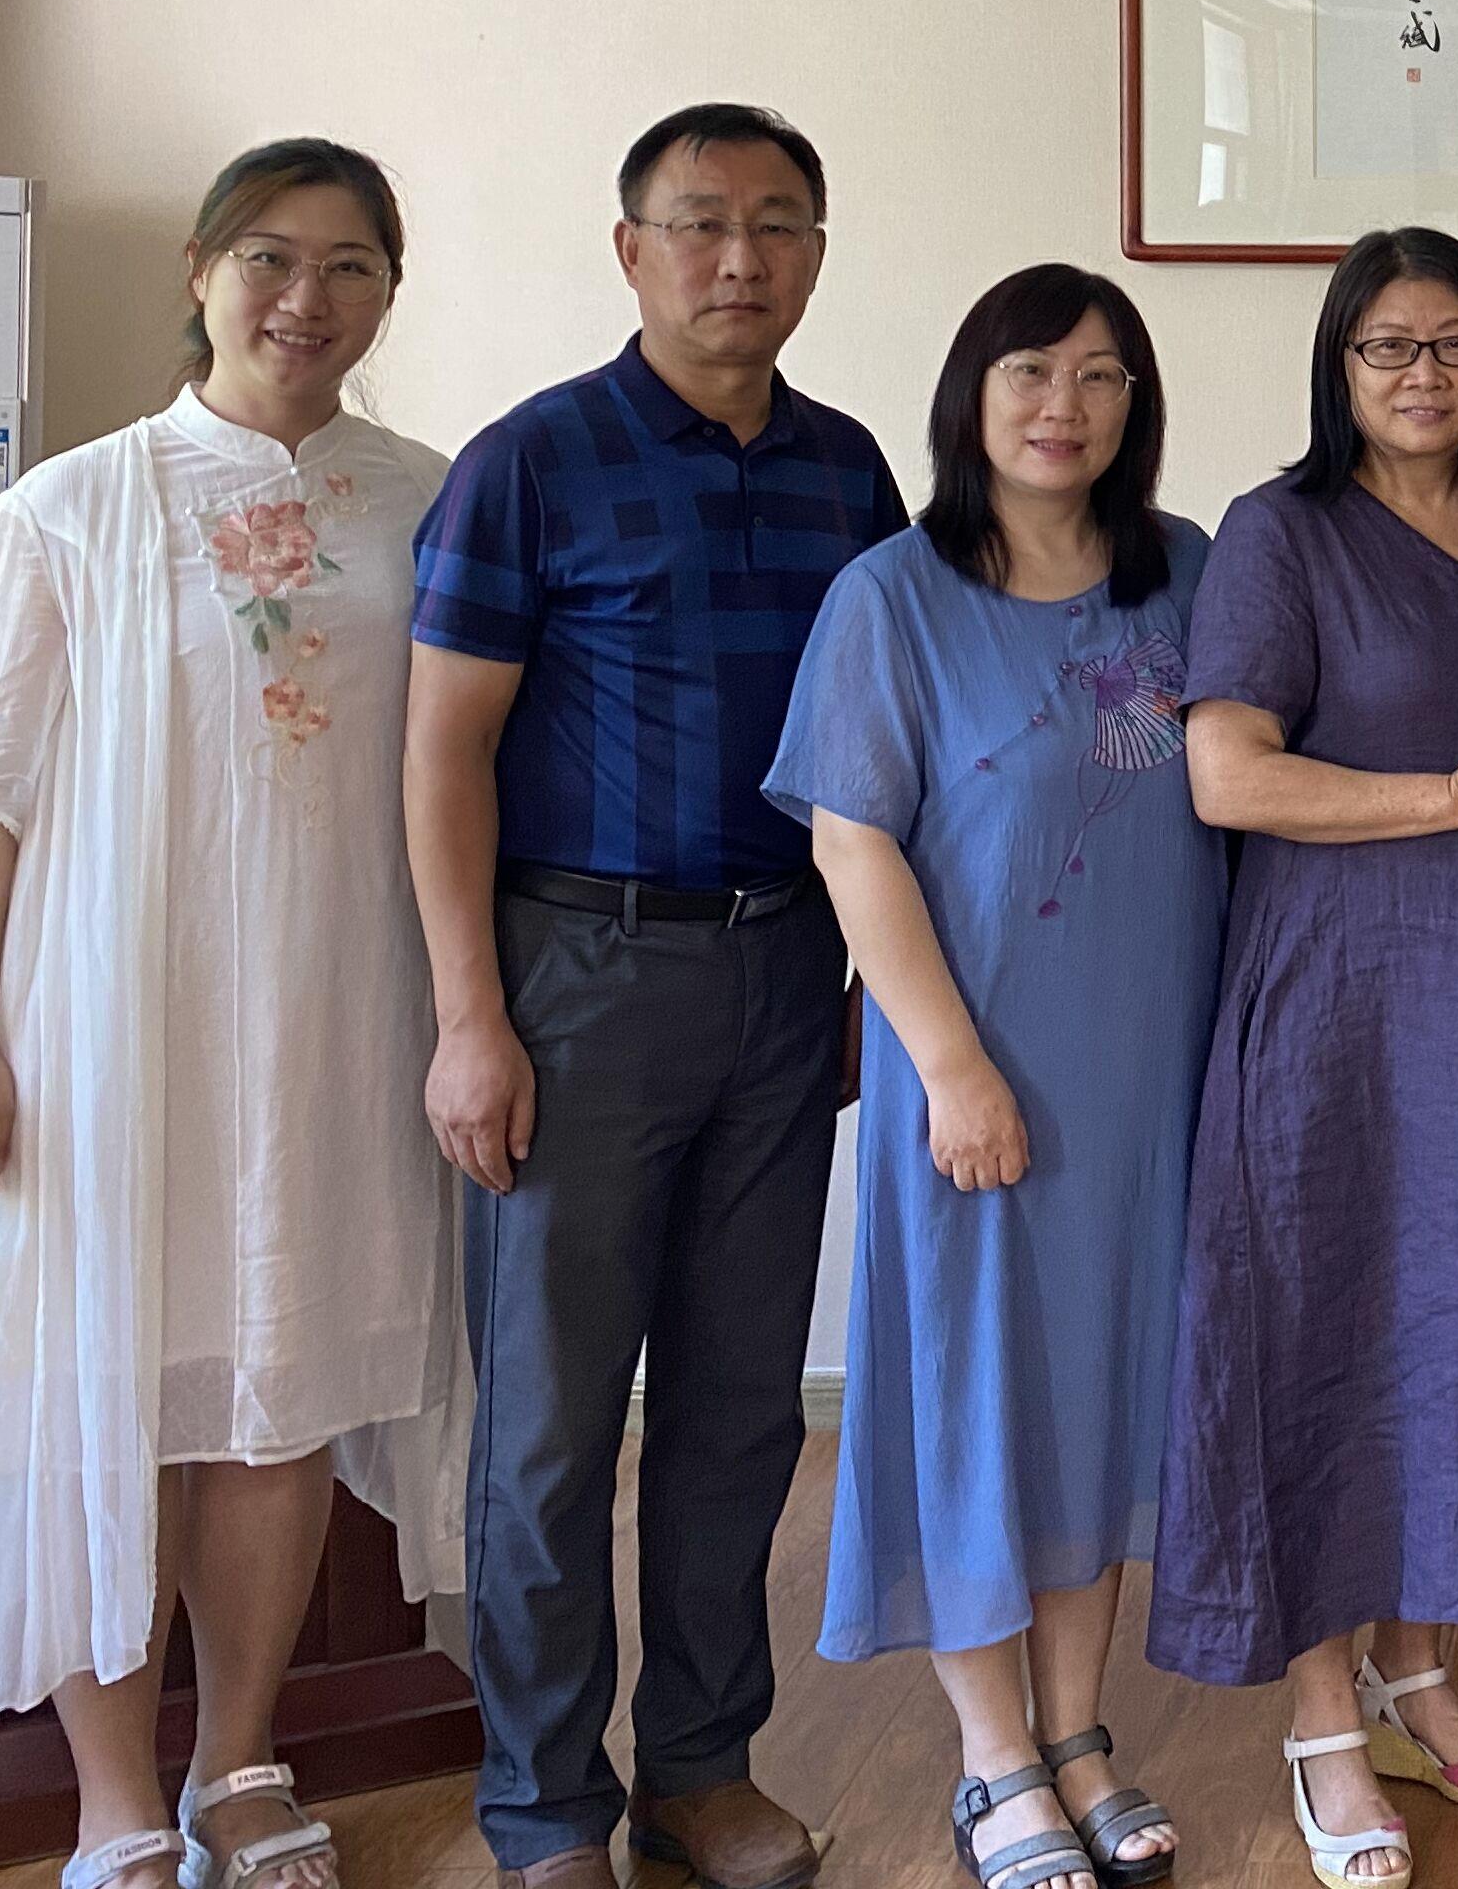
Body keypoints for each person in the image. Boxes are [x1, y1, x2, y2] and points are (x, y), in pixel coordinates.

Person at [0, 140, 470, 1889]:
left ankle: (235, 1762)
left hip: (336, 1024)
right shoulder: (67, 510)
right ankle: (113, 1801)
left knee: (269, 1397)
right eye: (271, 257)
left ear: (388, 292)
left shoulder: (433, 501)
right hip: (107, 1033)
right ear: (204, 272)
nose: (308, 298)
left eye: (352, 264)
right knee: (100, 1395)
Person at [405, 102, 907, 1889]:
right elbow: (442, 754)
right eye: (700, 223)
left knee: (739, 1403)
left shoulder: (852, 473)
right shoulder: (531, 462)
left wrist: (869, 984)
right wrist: (471, 1016)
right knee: (554, 1422)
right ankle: (545, 1805)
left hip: (785, 969)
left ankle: (702, 1767)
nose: (738, 259)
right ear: (632, 250)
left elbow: (881, 746)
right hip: (577, 980)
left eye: (777, 225)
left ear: (817, 255)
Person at [764, 267, 1223, 1889]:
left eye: (1100, 376)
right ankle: (992, 1757)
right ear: (972, 393)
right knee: (974, 1392)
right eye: (1030, 370)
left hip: (1149, 1069)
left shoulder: (1185, 574)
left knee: (1100, 1390)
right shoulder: (891, 596)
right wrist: (951, 1067)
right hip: (973, 1068)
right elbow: (852, 840)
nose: (1062, 406)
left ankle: (1080, 1733)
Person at [1150, 227, 1458, 1889]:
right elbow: (1229, 775)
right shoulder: (1283, 531)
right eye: (1388, 345)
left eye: (1455, 343)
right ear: (1339, 364)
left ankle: (1417, 1672)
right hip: (1331, 993)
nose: (1423, 374)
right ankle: (1322, 1714)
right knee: (1320, 1329)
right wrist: (1452, 796)